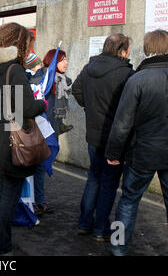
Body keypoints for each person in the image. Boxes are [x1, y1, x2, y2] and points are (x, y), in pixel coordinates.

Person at [105, 29, 168, 256]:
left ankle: (118, 248)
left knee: (127, 202)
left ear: (145, 51)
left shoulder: (136, 80)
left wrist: (114, 153)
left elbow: (122, 123)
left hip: (142, 154)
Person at [0, 22, 48, 255]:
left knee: (1, 193)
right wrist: (42, 103)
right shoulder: (13, 70)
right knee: (8, 196)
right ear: (19, 44)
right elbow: (26, 107)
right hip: (12, 142)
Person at [72, 33, 134, 241]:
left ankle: (84, 223)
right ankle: (100, 229)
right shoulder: (126, 73)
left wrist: (89, 108)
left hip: (93, 135)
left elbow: (76, 90)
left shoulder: (89, 68)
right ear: (122, 51)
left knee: (94, 178)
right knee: (108, 183)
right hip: (115, 137)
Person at [24, 52, 55, 216]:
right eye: (37, 64)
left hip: (42, 127)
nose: (40, 66)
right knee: (31, 166)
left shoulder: (46, 79)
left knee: (40, 166)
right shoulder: (25, 80)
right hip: (29, 128)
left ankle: (39, 199)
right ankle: (31, 200)